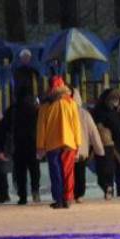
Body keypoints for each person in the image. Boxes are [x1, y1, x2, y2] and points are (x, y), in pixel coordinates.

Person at [35, 76, 81, 209]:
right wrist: (78, 143)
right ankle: (68, 198)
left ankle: (59, 199)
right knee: (68, 172)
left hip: (52, 144)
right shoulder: (71, 103)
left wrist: (40, 146)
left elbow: (41, 128)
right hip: (69, 143)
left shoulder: (45, 106)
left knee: (55, 172)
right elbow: (76, 125)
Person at [92, 88, 120, 198]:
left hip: (119, 143)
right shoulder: (101, 112)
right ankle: (108, 188)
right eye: (114, 100)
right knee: (108, 168)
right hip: (108, 144)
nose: (116, 102)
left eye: (118, 100)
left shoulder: (116, 111)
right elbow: (100, 128)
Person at [10, 85, 42, 205]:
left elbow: (6, 127)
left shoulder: (14, 109)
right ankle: (35, 192)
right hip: (33, 143)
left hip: (19, 144)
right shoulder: (36, 110)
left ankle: (22, 196)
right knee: (34, 170)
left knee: (20, 172)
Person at [72, 90, 105, 202]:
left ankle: (69, 192)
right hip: (82, 150)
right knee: (80, 173)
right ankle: (79, 193)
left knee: (69, 173)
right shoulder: (84, 114)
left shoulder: (63, 112)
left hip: (67, 150)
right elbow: (93, 132)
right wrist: (99, 149)